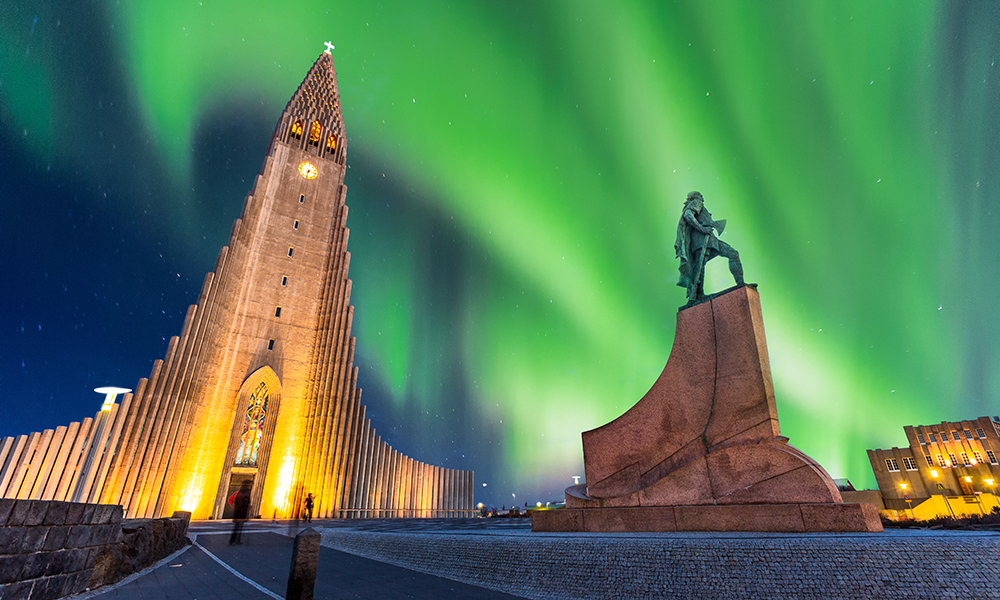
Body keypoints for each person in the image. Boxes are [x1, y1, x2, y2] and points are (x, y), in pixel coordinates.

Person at [674, 191, 744, 303]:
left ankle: (741, 286)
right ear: (696, 197)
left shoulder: (699, 205)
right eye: (700, 195)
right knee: (700, 267)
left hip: (709, 239)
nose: (702, 197)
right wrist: (703, 229)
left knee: (731, 254)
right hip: (701, 239)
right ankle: (697, 295)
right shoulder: (697, 202)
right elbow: (688, 215)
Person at [228, 480, 252, 545]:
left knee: (238, 528)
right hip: (240, 514)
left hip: (240, 514)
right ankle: (232, 541)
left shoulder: (242, 493)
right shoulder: (243, 494)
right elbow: (241, 505)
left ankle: (236, 540)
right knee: (237, 528)